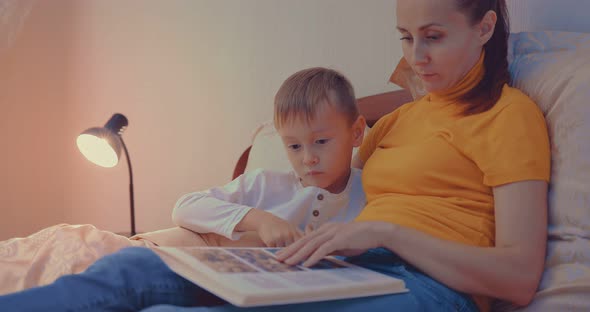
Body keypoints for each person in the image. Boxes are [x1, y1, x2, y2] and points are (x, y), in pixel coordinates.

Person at [1, 0, 551, 311]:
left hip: (428, 290)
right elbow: (327, 175)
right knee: (133, 266)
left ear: (485, 26)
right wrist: (250, 236)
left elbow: (518, 278)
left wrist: (386, 234)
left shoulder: (510, 116)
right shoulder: (400, 120)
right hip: (342, 268)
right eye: (405, 39)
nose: (417, 58)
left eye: (433, 37)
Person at [0, 67, 370, 310]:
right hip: (148, 251)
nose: (307, 158)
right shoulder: (264, 184)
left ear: (356, 133)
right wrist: (256, 219)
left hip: (208, 281)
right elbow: (186, 207)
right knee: (50, 258)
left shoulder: (370, 201)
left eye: (321, 142)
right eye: (294, 146)